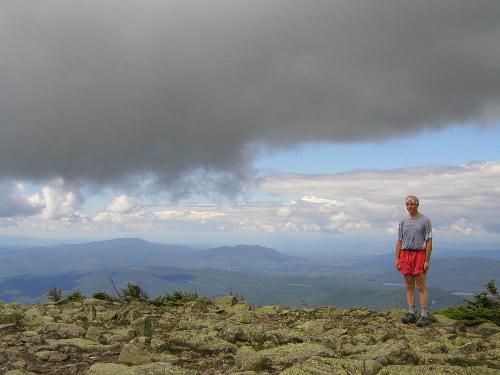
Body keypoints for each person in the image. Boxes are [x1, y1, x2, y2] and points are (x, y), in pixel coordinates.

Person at [395, 195, 433, 327]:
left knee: (421, 286)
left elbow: (429, 241)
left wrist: (426, 260)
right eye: (407, 204)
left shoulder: (425, 221)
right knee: (409, 285)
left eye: (412, 204)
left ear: (417, 205)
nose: (409, 206)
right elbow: (399, 240)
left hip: (419, 254)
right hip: (405, 254)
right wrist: (397, 258)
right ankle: (411, 312)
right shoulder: (403, 221)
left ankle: (424, 314)